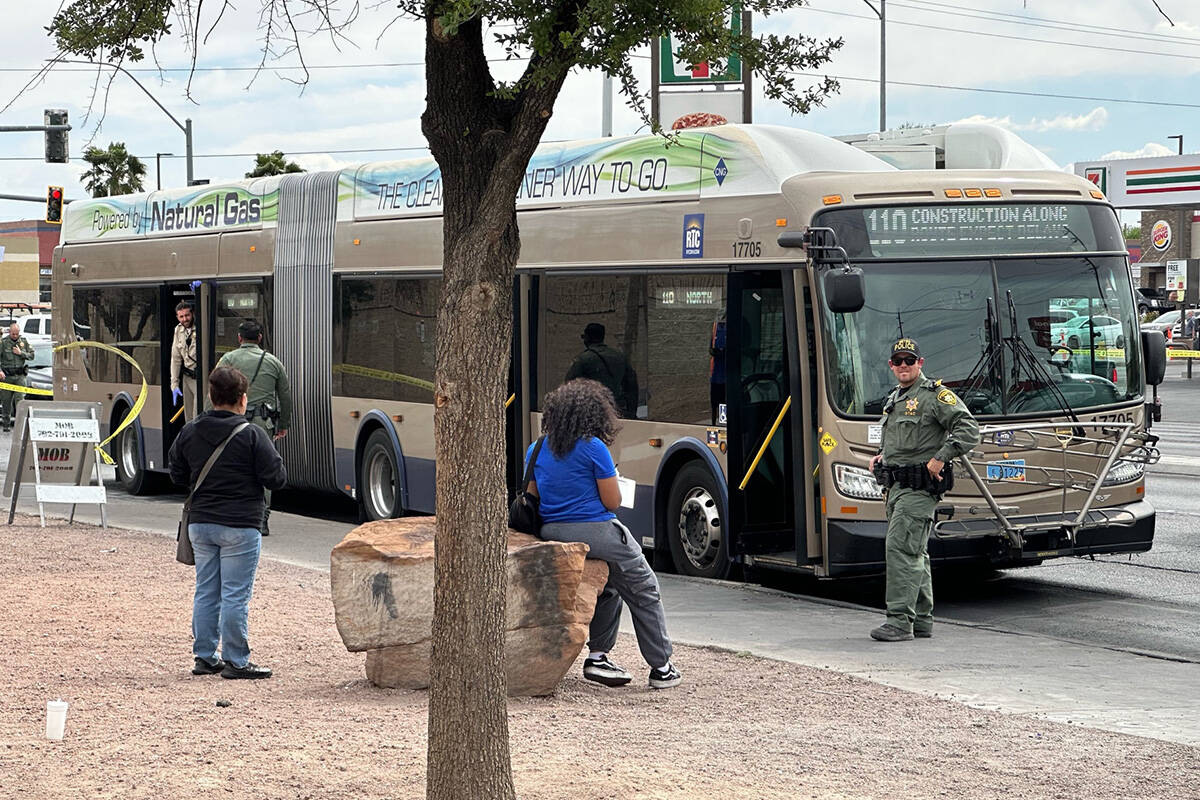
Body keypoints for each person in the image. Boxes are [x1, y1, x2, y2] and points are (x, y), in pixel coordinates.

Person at [526, 378, 682, 689]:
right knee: (644, 587)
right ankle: (662, 667)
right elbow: (613, 501)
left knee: (607, 583)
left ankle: (598, 658)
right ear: (593, 414)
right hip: (595, 530)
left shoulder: (536, 448)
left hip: (550, 530)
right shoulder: (593, 447)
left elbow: (533, 495)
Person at [168, 366, 286, 679]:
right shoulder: (251, 434)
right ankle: (236, 660)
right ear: (243, 400)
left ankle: (205, 657)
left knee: (206, 590)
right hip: (241, 525)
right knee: (235, 594)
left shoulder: (191, 430)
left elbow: (177, 472)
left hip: (201, 523)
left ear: (211, 395)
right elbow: (276, 478)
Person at [867, 338, 979, 642]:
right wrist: (881, 456)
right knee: (915, 552)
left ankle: (899, 622)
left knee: (900, 549)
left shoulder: (935, 396)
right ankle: (921, 621)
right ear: (891, 365)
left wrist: (939, 458)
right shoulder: (895, 398)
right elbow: (898, 438)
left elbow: (969, 429)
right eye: (898, 361)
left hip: (918, 489)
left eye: (910, 360)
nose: (904, 365)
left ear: (921, 363)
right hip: (896, 488)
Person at [212, 319, 291, 535]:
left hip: (231, 422)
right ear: (259, 338)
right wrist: (282, 425)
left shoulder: (228, 359)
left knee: (231, 465)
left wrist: (211, 419)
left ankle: (230, 512)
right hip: (262, 424)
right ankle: (262, 519)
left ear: (239, 338)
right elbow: (285, 396)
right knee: (263, 467)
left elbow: (214, 388)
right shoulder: (273, 362)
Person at [565, 323, 638, 419]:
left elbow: (569, 388)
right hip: (617, 412)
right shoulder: (620, 357)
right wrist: (631, 414)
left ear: (587, 338)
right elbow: (632, 387)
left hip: (591, 413)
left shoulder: (582, 359)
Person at [0, 322, 34, 431]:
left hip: (20, 376)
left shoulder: (24, 342)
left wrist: (21, 353)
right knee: (6, 401)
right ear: (9, 332)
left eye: (17, 334)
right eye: (13, 334)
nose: (15, 336)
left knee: (20, 401)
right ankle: (6, 424)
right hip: (7, 377)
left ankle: (20, 425)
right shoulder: (3, 343)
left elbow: (32, 356)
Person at [170, 300, 199, 421]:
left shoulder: (200, 327)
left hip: (199, 377)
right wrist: (174, 384)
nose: (185, 319)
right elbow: (176, 358)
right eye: (181, 316)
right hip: (187, 377)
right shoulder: (178, 330)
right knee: (189, 418)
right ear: (177, 317)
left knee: (198, 415)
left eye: (187, 315)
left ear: (192, 314)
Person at [709, 314, 727, 425]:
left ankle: (723, 423)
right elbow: (710, 348)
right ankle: (714, 424)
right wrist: (714, 351)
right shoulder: (715, 329)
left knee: (723, 402)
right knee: (714, 402)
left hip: (726, 376)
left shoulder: (732, 328)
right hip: (715, 376)